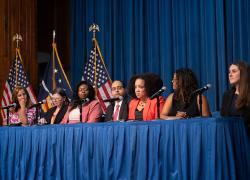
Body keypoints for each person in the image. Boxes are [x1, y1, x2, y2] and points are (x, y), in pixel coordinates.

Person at [221, 61, 250, 129]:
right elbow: (223, 118)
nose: (230, 74)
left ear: (243, 74)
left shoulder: (248, 94)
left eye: (234, 71)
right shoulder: (227, 95)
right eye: (229, 72)